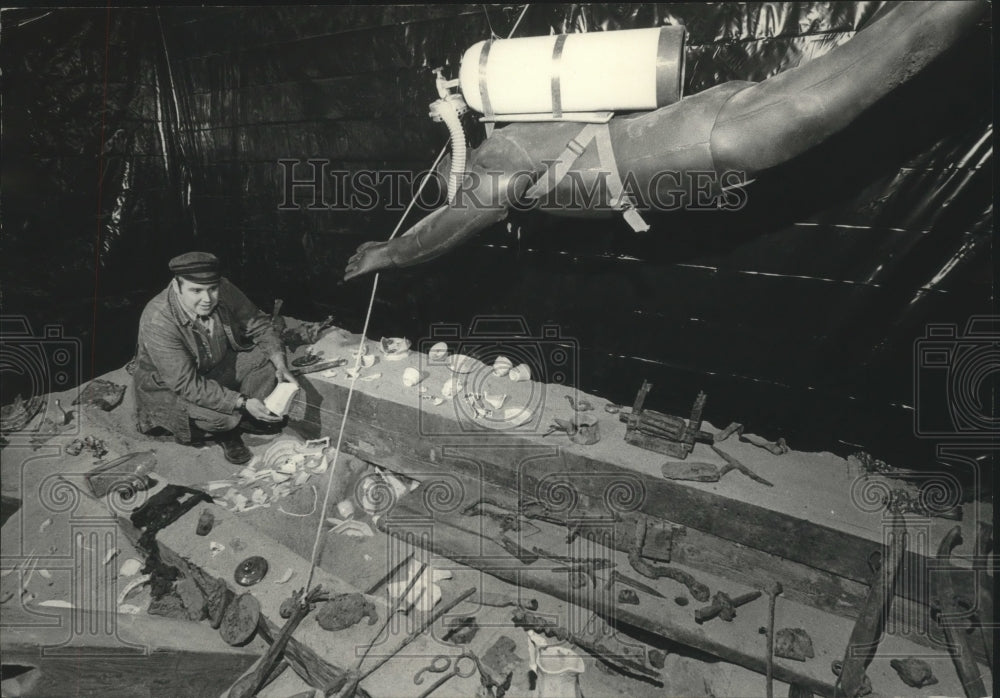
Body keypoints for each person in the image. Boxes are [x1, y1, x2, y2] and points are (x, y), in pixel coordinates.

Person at [132, 252, 297, 464]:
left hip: (214, 368)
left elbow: (260, 325)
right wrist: (241, 402)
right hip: (170, 388)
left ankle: (243, 415)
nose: (207, 299)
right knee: (223, 419)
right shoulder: (158, 319)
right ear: (177, 286)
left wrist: (281, 365)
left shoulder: (224, 288)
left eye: (212, 289)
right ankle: (227, 428)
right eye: (196, 291)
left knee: (268, 358)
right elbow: (185, 384)